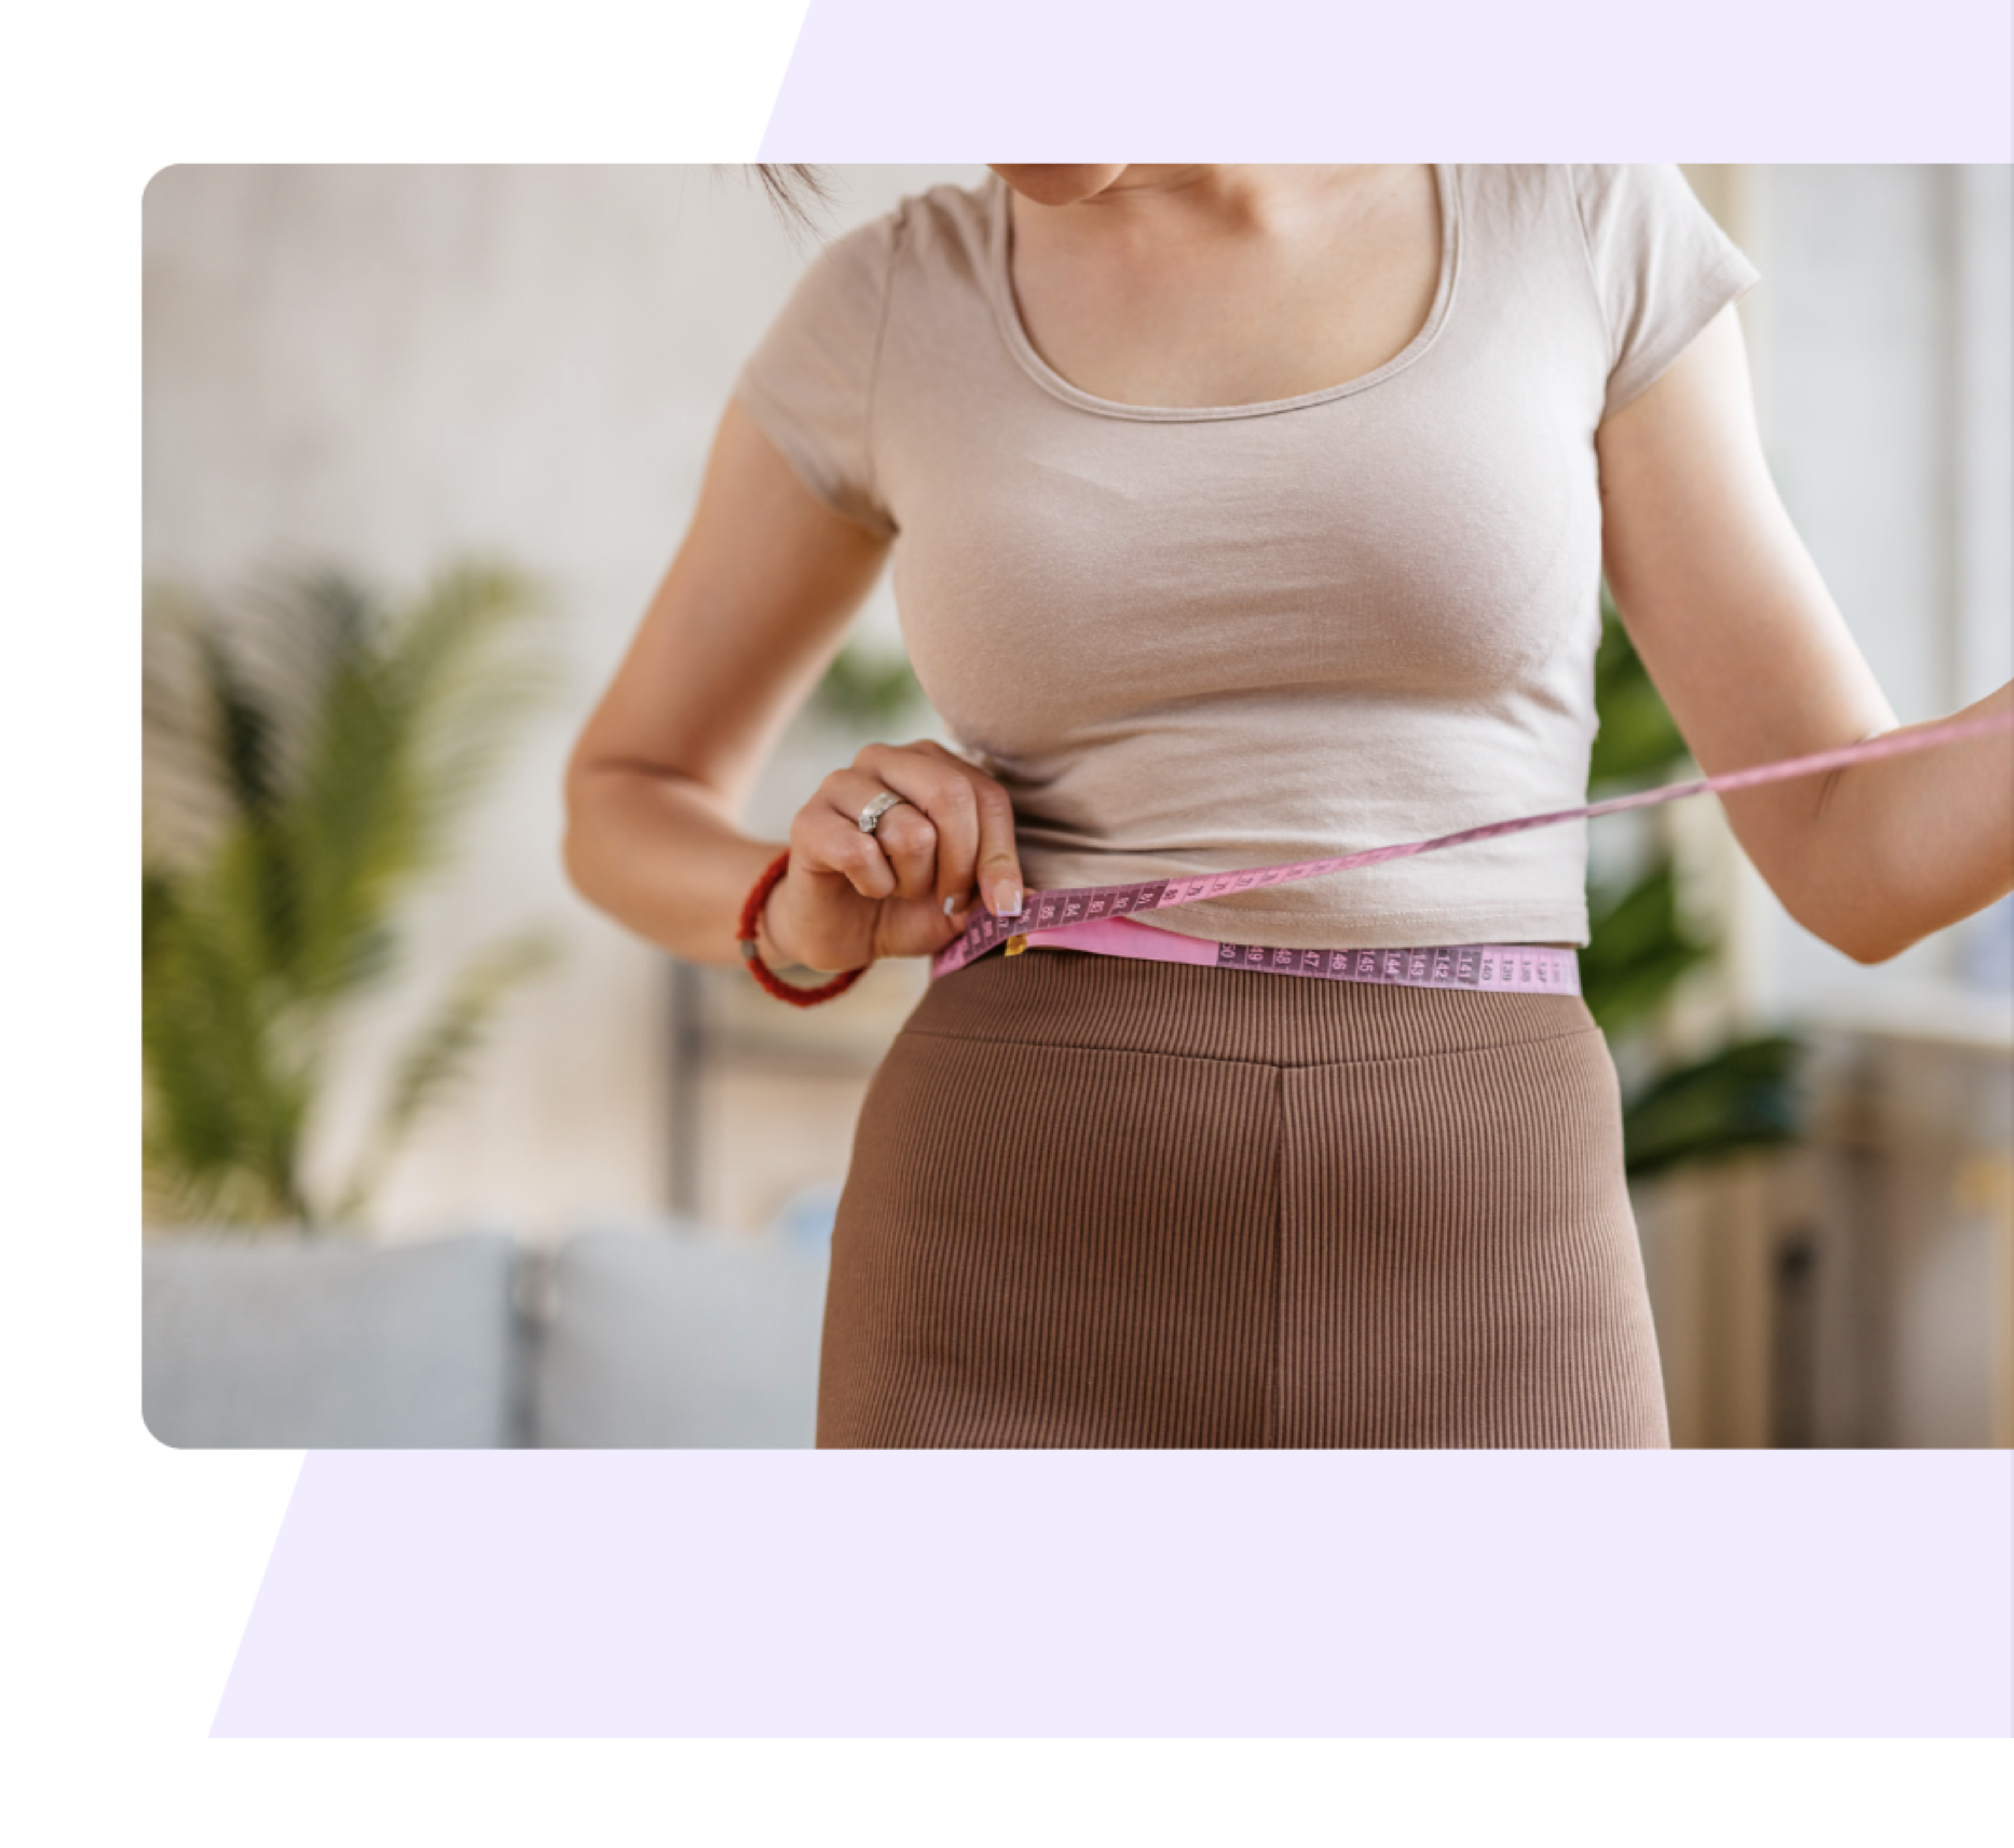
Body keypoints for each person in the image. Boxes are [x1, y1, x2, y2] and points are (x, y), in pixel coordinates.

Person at [560, 166, 2013, 1448]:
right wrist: (792, 903)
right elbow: (622, 796)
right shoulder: (890, 301)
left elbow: (1848, 848)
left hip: (1492, 1259)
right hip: (996, 1263)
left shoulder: (1572, 209)